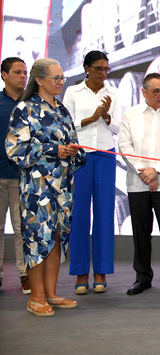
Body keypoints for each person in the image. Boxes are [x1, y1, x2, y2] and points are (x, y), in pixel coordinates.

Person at [5, 58, 85, 316]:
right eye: (57, 78)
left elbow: (73, 144)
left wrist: (75, 152)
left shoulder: (62, 110)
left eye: (62, 77)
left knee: (57, 238)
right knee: (38, 238)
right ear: (39, 80)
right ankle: (36, 297)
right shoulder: (24, 109)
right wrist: (53, 149)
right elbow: (14, 150)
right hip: (36, 188)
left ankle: (50, 293)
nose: (62, 82)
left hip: (63, 187)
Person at [118, 73, 160, 295]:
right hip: (138, 183)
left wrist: (156, 170)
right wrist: (144, 172)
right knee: (141, 233)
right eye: (156, 92)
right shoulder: (131, 115)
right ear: (144, 93)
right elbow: (124, 145)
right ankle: (142, 277)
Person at [63, 51, 120, 294]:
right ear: (86, 68)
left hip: (106, 155)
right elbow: (65, 126)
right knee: (79, 215)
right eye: (98, 69)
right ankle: (79, 274)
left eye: (106, 69)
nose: (103, 73)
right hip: (80, 156)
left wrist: (106, 117)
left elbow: (117, 127)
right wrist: (90, 118)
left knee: (105, 214)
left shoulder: (113, 93)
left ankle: (101, 273)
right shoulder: (73, 92)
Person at [0, 57, 30, 294]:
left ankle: (25, 275)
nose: (23, 76)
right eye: (18, 72)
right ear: (4, 75)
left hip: (24, 177)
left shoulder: (31, 105)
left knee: (22, 229)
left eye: (25, 72)